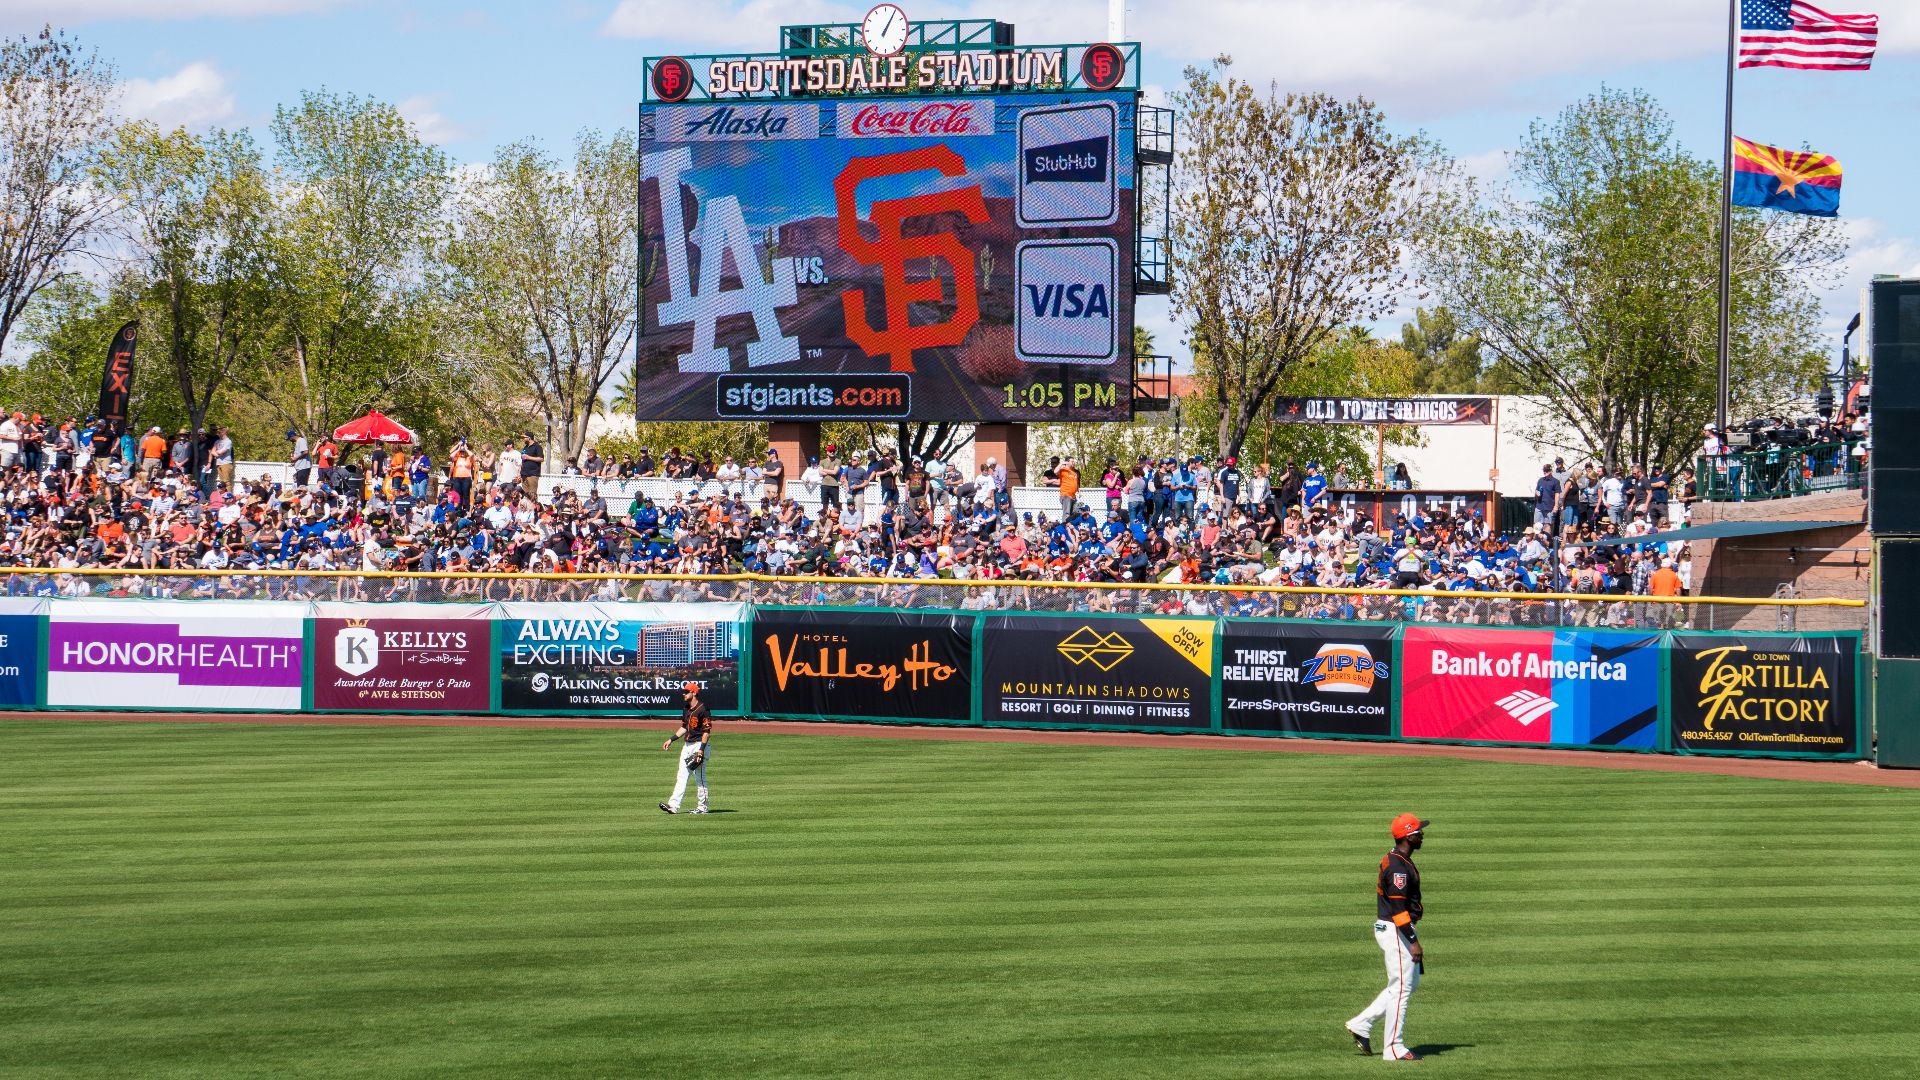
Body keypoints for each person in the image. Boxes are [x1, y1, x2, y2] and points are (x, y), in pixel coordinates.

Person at [1346, 813, 1429, 1062]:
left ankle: (1361, 1024)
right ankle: (1394, 1047)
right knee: (1402, 988)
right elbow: (1398, 911)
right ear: (1407, 835)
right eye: (1417, 831)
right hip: (1396, 930)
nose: (1422, 834)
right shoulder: (1397, 868)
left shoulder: (1399, 858)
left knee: (1406, 985)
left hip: (1395, 929)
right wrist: (1413, 941)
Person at [659, 681, 713, 815]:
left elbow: (706, 731)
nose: (683, 694)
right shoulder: (686, 708)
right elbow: (684, 727)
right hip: (687, 745)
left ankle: (703, 807)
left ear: (693, 693)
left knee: (699, 777)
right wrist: (671, 739)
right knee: (681, 776)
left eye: (686, 692)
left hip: (699, 745)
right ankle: (673, 806)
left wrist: (701, 750)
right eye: (683, 692)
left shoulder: (703, 709)